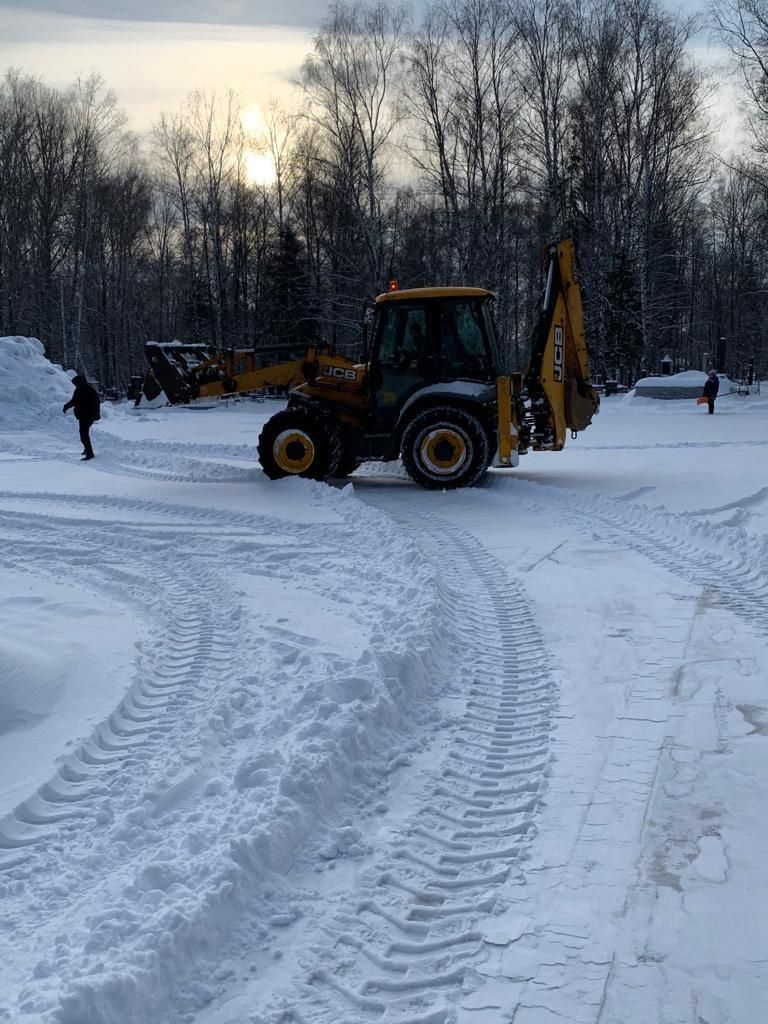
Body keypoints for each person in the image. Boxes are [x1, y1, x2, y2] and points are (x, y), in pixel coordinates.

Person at [63, 375, 101, 459]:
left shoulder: (81, 390)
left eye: (75, 383)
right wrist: (96, 414)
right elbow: (97, 401)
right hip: (89, 415)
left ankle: (89, 453)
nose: (75, 385)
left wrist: (66, 406)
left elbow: (75, 401)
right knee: (84, 433)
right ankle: (87, 449)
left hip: (85, 415)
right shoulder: (89, 389)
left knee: (83, 434)